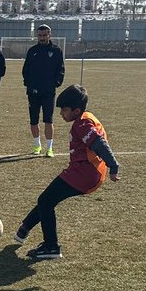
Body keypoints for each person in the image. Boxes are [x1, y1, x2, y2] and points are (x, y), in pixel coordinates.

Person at [14, 84, 119, 260]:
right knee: (47, 199)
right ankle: (24, 229)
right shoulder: (87, 117)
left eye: (64, 110)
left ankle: (51, 247)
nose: (61, 113)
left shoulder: (83, 124)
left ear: (76, 111)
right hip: (84, 171)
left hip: (85, 174)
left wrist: (114, 166)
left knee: (46, 201)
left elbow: (99, 143)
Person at [22, 24, 65, 155]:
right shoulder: (32, 51)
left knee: (48, 120)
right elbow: (26, 69)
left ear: (49, 35)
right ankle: (37, 146)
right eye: (40, 35)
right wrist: (28, 84)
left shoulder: (56, 50)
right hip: (33, 92)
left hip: (48, 92)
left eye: (44, 35)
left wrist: (56, 83)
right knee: (33, 121)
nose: (42, 38)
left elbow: (61, 69)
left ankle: (49, 148)